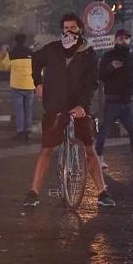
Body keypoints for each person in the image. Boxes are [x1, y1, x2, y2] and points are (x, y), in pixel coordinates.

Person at [23, 13, 114, 209]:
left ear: (80, 29)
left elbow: (91, 83)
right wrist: (37, 82)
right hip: (55, 105)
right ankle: (33, 193)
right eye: (65, 28)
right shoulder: (53, 49)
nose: (68, 32)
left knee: (89, 150)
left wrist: (83, 105)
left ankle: (102, 192)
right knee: (46, 150)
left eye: (72, 28)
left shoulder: (88, 54)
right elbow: (35, 60)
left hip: (79, 106)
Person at [94, 29, 133, 172]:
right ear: (115, 40)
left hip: (126, 101)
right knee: (104, 130)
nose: (124, 41)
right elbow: (101, 75)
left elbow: (131, 72)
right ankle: (98, 157)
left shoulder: (132, 55)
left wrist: (122, 66)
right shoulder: (108, 56)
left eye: (126, 38)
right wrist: (111, 67)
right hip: (112, 100)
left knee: (132, 130)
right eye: (120, 38)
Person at [9, 34, 36, 141]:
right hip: (29, 84)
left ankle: (20, 131)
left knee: (19, 109)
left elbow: (5, 65)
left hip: (17, 84)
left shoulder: (12, 53)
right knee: (28, 109)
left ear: (16, 41)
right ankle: (28, 130)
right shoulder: (31, 53)